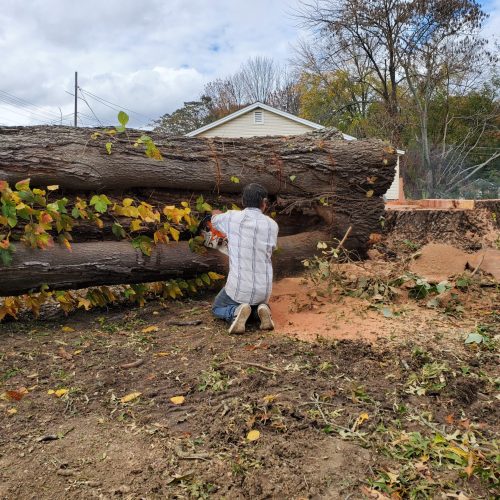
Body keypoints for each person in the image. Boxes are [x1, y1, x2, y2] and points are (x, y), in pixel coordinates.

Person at [211, 183, 279, 334]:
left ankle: (235, 311)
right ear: (264, 204)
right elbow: (271, 250)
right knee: (255, 303)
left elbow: (214, 219)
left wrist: (215, 213)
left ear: (243, 201)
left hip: (239, 289)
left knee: (217, 307)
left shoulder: (231, 217)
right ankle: (261, 310)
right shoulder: (272, 225)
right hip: (264, 290)